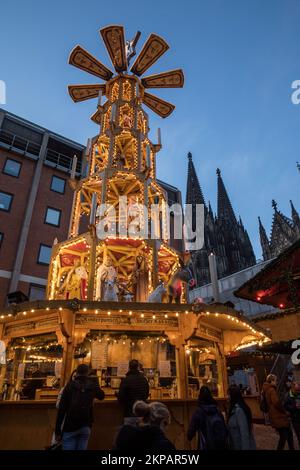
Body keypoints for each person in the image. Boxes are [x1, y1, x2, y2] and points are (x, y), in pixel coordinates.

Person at [55, 364, 105, 450]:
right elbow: (101, 396)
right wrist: (95, 381)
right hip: (86, 424)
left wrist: (58, 430)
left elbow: (62, 409)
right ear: (87, 373)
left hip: (70, 425)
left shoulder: (69, 386)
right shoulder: (92, 385)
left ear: (76, 373)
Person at [187, 386, 227, 450]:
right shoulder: (217, 410)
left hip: (206, 445)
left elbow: (190, 433)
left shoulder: (199, 411)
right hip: (219, 445)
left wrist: (189, 436)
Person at [262, 373, 294, 450]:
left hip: (274, 416)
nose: (276, 382)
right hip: (279, 416)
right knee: (284, 437)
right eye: (275, 380)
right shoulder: (272, 390)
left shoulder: (266, 390)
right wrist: (284, 411)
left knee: (288, 434)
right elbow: (276, 402)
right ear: (272, 381)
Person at [117, 359, 149, 424]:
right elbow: (146, 395)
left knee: (129, 433)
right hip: (142, 413)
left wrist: (117, 395)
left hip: (129, 413)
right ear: (138, 367)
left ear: (129, 368)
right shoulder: (144, 380)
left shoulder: (125, 380)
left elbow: (120, 399)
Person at [227, 384, 256, 450]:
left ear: (233, 396)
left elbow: (244, 433)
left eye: (228, 394)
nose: (227, 397)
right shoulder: (233, 409)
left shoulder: (239, 410)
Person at [284, 381, 300, 447]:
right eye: (297, 390)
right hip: (295, 419)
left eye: (299, 390)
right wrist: (294, 407)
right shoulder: (287, 396)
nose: (298, 392)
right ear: (292, 388)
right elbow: (285, 406)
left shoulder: (299, 394)